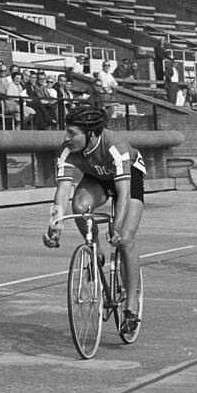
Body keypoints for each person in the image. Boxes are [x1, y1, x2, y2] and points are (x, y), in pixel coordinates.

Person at [44, 103, 145, 340]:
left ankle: (130, 307)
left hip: (129, 178)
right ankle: (96, 250)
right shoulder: (67, 151)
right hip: (97, 177)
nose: (66, 138)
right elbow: (62, 192)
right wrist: (54, 226)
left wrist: (117, 229)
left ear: (90, 134)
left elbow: (124, 193)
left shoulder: (115, 146)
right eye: (66, 132)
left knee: (125, 239)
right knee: (80, 206)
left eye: (72, 133)